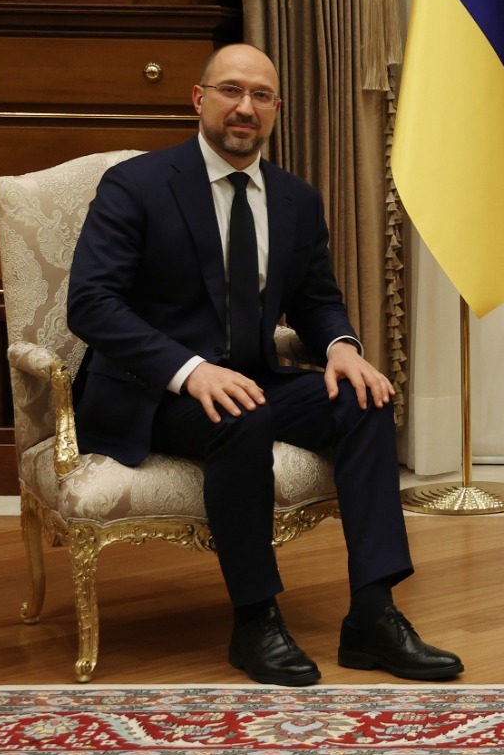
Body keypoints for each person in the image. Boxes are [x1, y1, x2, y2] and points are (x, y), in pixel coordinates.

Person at [68, 42, 460, 687]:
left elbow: (317, 301)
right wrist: (190, 370)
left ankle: (373, 614)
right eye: (230, 90)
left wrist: (341, 348)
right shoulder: (137, 185)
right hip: (153, 392)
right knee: (240, 419)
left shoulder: (295, 199)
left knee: (366, 401)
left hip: (253, 378)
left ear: (277, 108)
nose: (244, 107)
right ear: (199, 99)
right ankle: (256, 620)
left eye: (260, 95)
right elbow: (92, 304)